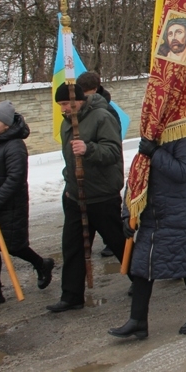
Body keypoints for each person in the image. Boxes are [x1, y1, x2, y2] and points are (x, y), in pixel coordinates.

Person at [109, 135, 186, 339]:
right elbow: (136, 179)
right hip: (153, 216)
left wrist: (155, 153)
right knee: (142, 267)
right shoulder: (150, 141)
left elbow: (184, 172)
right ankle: (137, 320)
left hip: (183, 213)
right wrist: (128, 214)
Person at [47, 83, 127, 313]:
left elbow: (112, 152)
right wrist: (68, 178)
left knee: (118, 242)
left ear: (79, 100)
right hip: (75, 194)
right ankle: (71, 296)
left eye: (65, 103)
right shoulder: (67, 123)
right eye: (60, 105)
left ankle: (142, 279)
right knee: (73, 248)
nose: (63, 109)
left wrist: (89, 149)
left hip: (101, 194)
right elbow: (68, 156)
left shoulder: (102, 117)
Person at [0, 101, 54, 310]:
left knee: (14, 246)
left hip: (9, 205)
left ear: (6, 125)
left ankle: (41, 264)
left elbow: (15, 178)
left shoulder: (15, 146)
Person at [77, 71, 122, 258]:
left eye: (86, 93)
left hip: (104, 178)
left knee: (113, 231)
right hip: (86, 182)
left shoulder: (106, 113)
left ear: (94, 90)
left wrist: (88, 149)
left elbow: (111, 148)